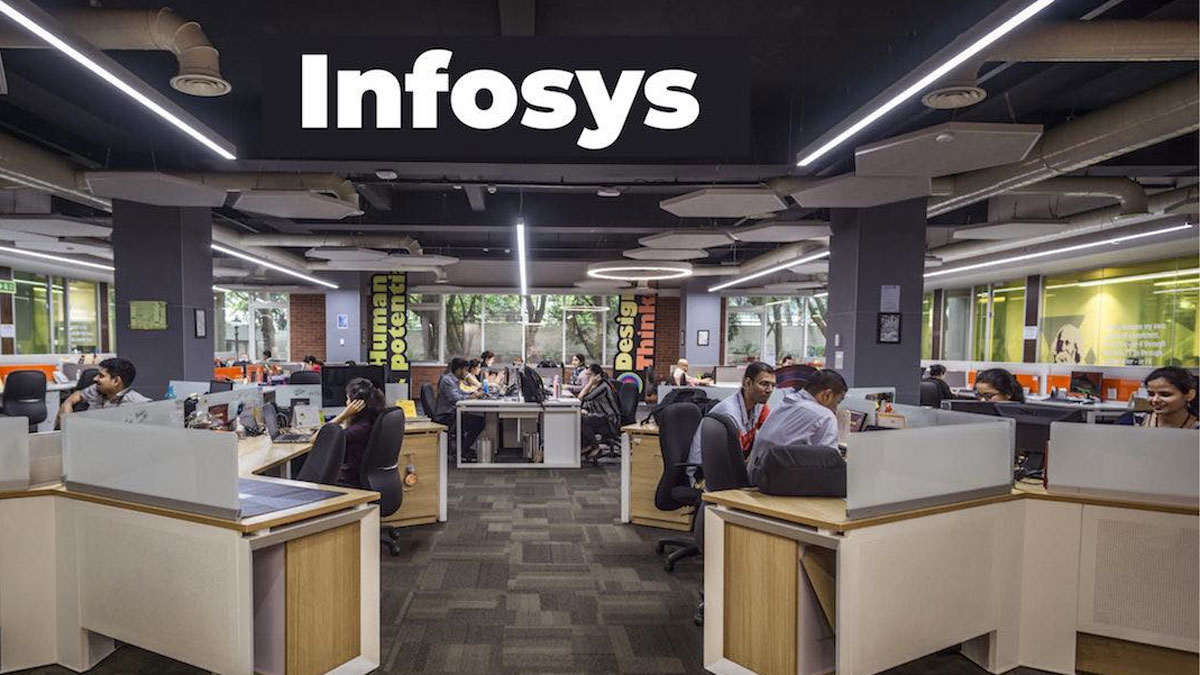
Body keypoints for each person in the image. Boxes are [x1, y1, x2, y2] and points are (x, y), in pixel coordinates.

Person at [749, 369, 847, 465]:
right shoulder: (825, 416)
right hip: (779, 474)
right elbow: (830, 463)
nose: (835, 409)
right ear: (827, 395)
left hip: (756, 472)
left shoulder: (786, 403)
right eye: (837, 402)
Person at [688, 362, 775, 470]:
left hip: (730, 465)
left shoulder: (760, 406)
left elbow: (772, 436)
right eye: (764, 384)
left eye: (773, 385)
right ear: (747, 383)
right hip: (704, 472)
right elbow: (734, 462)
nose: (769, 390)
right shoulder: (729, 414)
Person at [329, 378, 386, 486]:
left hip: (347, 481)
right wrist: (348, 419)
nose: (346, 403)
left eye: (347, 399)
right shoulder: (371, 423)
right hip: (365, 480)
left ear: (354, 405)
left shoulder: (355, 431)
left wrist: (343, 415)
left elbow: (316, 439)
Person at [57, 357, 149, 422]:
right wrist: (67, 404)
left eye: (101, 376)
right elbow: (77, 395)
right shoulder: (96, 389)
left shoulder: (137, 404)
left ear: (116, 381)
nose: (95, 378)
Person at [433, 357, 486, 459]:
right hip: (446, 416)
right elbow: (456, 399)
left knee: (477, 420)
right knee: (479, 422)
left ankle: (463, 448)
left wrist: (473, 394)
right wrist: (472, 397)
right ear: (458, 370)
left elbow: (460, 393)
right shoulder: (447, 380)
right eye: (465, 370)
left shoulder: (454, 380)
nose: (467, 373)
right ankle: (462, 450)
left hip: (452, 413)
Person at [1128, 366, 1198, 429]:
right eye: (1151, 394)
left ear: (1190, 395)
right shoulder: (1132, 421)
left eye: (1165, 394)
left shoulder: (1197, 427)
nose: (1155, 400)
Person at [578, 364, 621, 459]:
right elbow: (585, 403)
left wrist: (589, 383)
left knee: (582, 420)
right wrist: (584, 409)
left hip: (610, 419)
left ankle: (595, 447)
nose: (587, 377)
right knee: (579, 417)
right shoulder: (594, 387)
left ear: (598, 376)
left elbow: (581, 397)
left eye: (590, 375)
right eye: (587, 375)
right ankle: (586, 446)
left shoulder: (603, 387)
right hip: (600, 416)